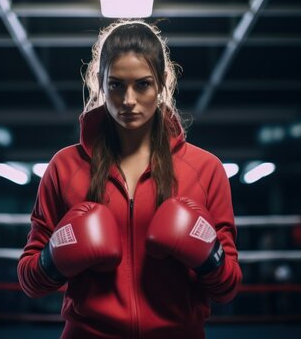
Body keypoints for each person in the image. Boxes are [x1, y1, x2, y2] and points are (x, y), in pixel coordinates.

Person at [17, 19, 242, 339]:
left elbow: (228, 286)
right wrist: (56, 257)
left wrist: (208, 256)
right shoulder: (65, 167)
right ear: (100, 82)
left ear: (162, 82)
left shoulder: (204, 169)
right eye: (117, 85)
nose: (128, 100)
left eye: (143, 84)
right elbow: (30, 280)